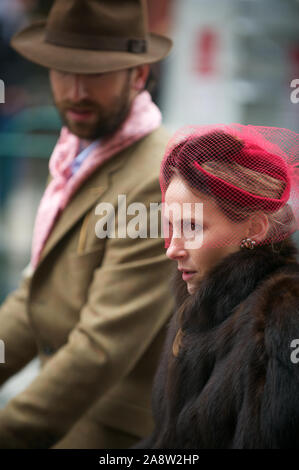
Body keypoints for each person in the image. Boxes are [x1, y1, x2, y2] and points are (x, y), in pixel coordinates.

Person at [0, 0, 175, 449]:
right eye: (63, 70)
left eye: (95, 73)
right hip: (73, 405)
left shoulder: (156, 178)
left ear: (138, 76)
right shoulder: (77, 151)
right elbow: (35, 299)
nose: (75, 90)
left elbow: (101, 349)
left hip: (118, 429)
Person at [134, 123, 299, 449]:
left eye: (193, 226)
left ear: (254, 228)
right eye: (172, 225)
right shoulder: (198, 301)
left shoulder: (283, 316)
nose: (172, 248)